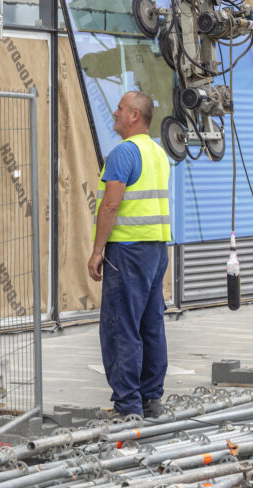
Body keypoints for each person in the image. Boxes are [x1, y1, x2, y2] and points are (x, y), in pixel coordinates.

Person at [88, 91, 171, 418]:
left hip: (127, 250)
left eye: (120, 109)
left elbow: (111, 204)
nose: (115, 113)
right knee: (151, 324)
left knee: (120, 325)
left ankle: (127, 406)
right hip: (156, 248)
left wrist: (97, 251)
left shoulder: (123, 153)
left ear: (135, 115)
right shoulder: (158, 152)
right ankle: (151, 400)